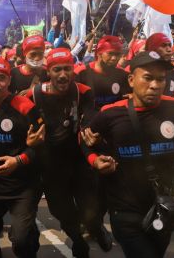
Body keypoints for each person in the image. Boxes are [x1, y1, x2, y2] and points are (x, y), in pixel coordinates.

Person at [81, 51, 174, 257]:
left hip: (162, 206)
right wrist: (95, 161)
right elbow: (84, 142)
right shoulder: (110, 113)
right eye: (148, 78)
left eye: (161, 79)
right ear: (131, 80)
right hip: (124, 208)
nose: (155, 85)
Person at [27, 48, 107, 257]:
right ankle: (78, 239)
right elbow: (20, 120)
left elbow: (87, 121)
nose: (63, 75)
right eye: (57, 70)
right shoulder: (35, 94)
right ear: (48, 72)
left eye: (67, 69)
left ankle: (96, 227)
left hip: (78, 158)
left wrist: (91, 134)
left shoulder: (84, 92)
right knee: (59, 210)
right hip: (51, 163)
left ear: (73, 70)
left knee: (89, 205)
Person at [0, 55, 46, 258]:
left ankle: (29, 236)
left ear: (9, 80)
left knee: (21, 242)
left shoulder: (26, 108)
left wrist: (19, 160)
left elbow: (41, 147)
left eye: (1, 78)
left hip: (24, 186)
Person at [76, 35, 130, 110]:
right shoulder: (81, 73)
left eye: (117, 54)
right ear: (99, 53)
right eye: (110, 53)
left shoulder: (123, 75)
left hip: (115, 120)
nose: (114, 58)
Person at [146, 33, 174, 98]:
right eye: (164, 46)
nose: (169, 50)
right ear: (153, 48)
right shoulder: (140, 71)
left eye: (170, 46)